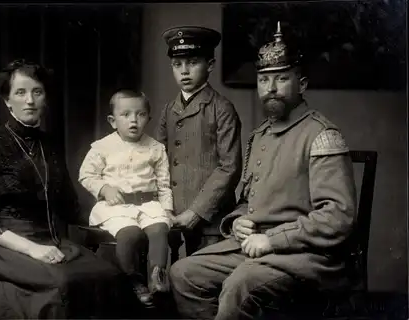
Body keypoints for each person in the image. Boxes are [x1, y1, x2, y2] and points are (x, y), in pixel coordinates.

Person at [169, 22, 357, 320]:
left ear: (302, 84)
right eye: (264, 80)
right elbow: (249, 202)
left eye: (281, 79)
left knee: (239, 286)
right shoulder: (260, 135)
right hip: (253, 246)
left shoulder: (322, 135)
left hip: (304, 255)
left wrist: (273, 240)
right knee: (183, 273)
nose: (270, 89)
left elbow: (337, 216)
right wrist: (236, 222)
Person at [0, 59, 128, 319]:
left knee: (110, 275)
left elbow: (70, 207)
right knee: (63, 286)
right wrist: (32, 249)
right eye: (20, 92)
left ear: (45, 98)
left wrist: (119, 217)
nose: (30, 101)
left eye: (37, 92)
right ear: (7, 100)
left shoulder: (49, 145)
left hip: (50, 241)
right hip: (2, 247)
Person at [79, 90, 173, 307]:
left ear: (148, 118)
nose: (133, 120)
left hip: (148, 204)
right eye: (126, 115)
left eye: (140, 114)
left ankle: (157, 277)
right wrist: (104, 188)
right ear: (113, 121)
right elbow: (86, 174)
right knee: (129, 234)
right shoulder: (102, 147)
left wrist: (167, 209)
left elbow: (163, 182)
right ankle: (134, 279)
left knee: (159, 229)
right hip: (116, 207)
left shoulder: (156, 148)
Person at [157, 26, 242, 255]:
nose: (184, 71)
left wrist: (196, 212)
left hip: (210, 220)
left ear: (210, 65)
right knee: (174, 277)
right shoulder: (168, 110)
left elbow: (230, 168)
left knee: (204, 280)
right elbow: (158, 160)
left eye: (193, 63)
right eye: (177, 64)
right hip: (173, 215)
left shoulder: (221, 109)